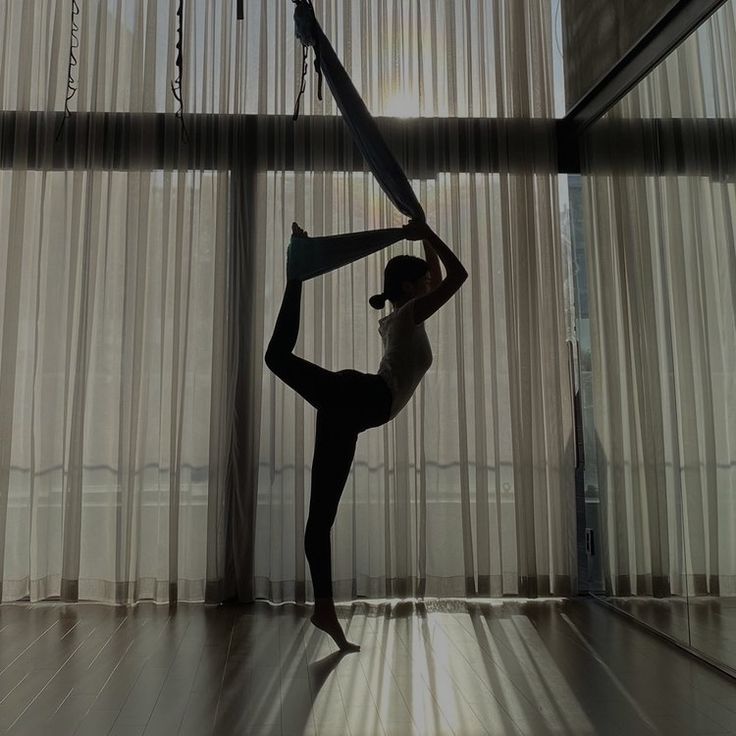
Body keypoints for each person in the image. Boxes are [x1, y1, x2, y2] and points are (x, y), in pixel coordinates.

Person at [264, 219, 467, 651]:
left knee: (321, 521)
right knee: (276, 357)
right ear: (412, 289)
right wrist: (427, 231)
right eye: (424, 282)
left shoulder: (402, 316)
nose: (431, 284)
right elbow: (457, 275)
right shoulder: (409, 315)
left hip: (352, 410)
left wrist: (423, 235)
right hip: (360, 398)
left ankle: (324, 609)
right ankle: (296, 274)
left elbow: (436, 274)